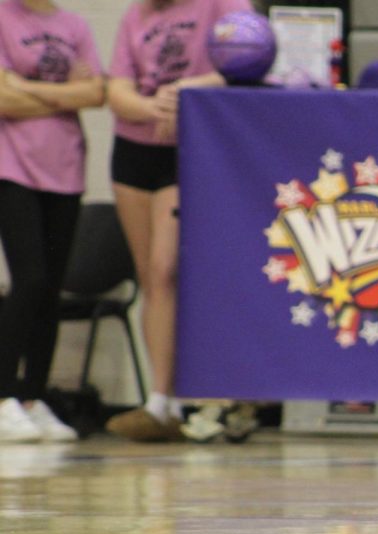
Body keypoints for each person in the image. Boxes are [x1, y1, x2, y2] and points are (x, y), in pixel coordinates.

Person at [103, 0, 251, 442]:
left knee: (167, 267)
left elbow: (249, 63)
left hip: (190, 145)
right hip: (136, 147)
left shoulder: (222, 5)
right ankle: (159, 399)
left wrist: (187, 90)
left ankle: (203, 396)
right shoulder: (136, 16)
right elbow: (115, 91)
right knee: (151, 276)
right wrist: (155, 108)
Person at [0, 0, 105, 442]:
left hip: (66, 168)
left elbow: (97, 93)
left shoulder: (73, 25)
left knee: (51, 288)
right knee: (30, 279)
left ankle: (33, 397)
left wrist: (29, 89)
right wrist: (65, 95)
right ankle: (4, 397)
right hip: (13, 167)